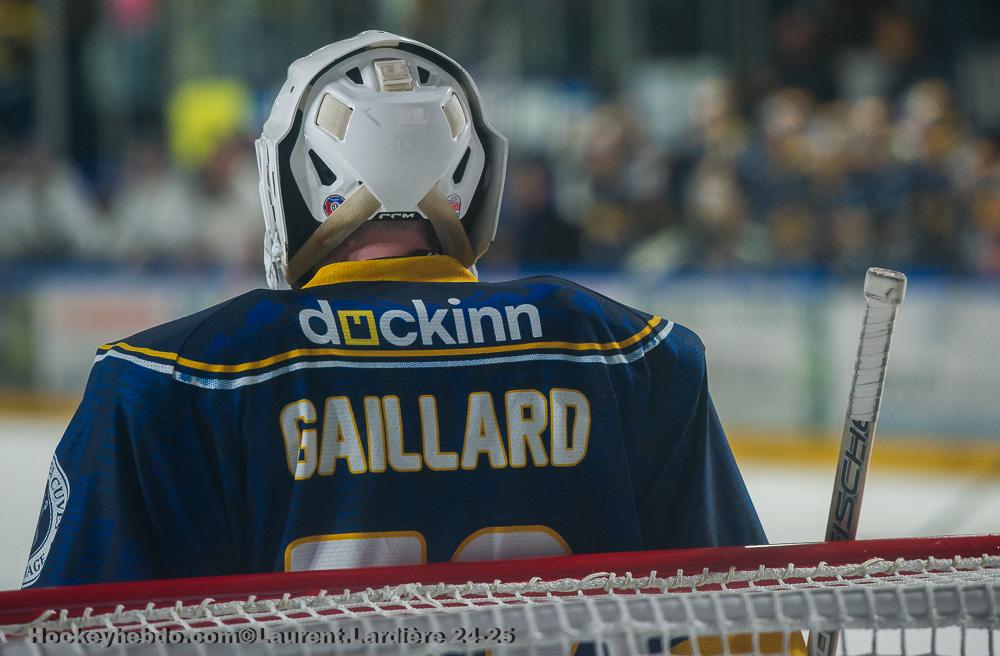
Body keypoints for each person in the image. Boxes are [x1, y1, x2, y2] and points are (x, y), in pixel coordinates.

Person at [24, 31, 765, 589]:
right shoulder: (632, 353)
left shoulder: (167, 379)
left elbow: (70, 631)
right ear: (476, 180)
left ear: (292, 179)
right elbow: (738, 622)